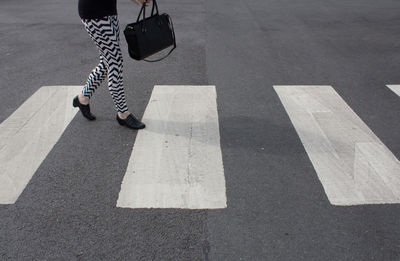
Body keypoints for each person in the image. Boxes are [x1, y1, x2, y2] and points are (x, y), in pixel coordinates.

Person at [74, 0, 151, 129]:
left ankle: (83, 98)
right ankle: (123, 113)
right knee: (115, 62)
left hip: (108, 10)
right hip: (94, 14)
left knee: (107, 62)